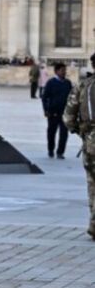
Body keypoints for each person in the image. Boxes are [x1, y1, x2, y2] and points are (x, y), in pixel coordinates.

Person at [63, 52, 95, 240]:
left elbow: (68, 118)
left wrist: (80, 132)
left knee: (92, 183)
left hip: (91, 141)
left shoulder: (82, 87)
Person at [42, 62, 72, 159]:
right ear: (56, 71)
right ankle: (51, 149)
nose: (64, 72)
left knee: (64, 134)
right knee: (51, 132)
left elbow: (72, 97)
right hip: (53, 112)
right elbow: (45, 97)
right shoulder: (51, 83)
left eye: (65, 70)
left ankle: (60, 152)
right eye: (62, 70)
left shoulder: (68, 83)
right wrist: (46, 109)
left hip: (64, 113)